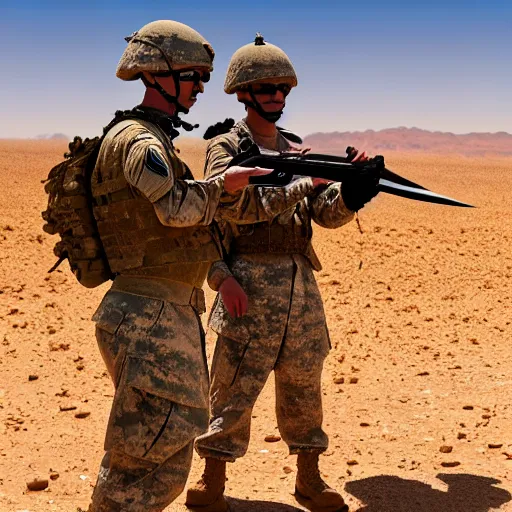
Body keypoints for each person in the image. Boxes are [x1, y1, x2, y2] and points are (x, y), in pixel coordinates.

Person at [86, 22, 321, 512]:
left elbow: (187, 234)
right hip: (149, 312)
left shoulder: (152, 138)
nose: (199, 88)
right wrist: (224, 187)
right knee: (146, 454)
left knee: (159, 447)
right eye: (193, 76)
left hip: (161, 308)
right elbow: (177, 210)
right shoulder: (140, 142)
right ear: (160, 75)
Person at [186, 34, 379, 512]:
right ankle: (212, 480)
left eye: (283, 89)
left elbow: (324, 213)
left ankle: (309, 478)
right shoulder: (225, 148)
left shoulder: (296, 149)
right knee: (232, 387)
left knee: (304, 385)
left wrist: (352, 194)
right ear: (244, 92)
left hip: (299, 286)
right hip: (246, 283)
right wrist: (220, 277)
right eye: (267, 87)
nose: (277, 96)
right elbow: (232, 208)